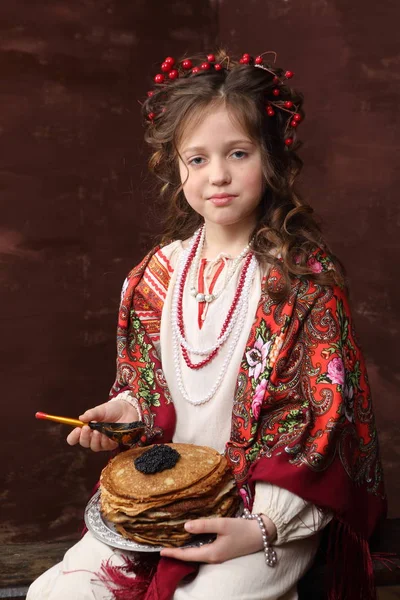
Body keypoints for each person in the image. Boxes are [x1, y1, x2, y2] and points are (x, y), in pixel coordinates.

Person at [27, 49, 386, 600]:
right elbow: (147, 392)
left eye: (237, 153)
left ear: (270, 158)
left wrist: (262, 528)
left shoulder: (301, 281)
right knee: (62, 592)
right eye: (196, 159)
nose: (216, 175)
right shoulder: (154, 275)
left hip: (263, 507)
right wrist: (120, 415)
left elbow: (320, 426)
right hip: (166, 504)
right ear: (176, 167)